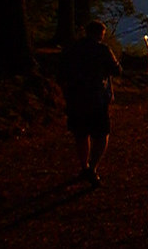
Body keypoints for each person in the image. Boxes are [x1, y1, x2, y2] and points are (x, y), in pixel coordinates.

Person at [58, 21, 122, 187]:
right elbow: (117, 70)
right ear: (99, 33)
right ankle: (92, 167)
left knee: (81, 134)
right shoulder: (102, 50)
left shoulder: (72, 50)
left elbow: (61, 72)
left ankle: (84, 165)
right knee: (101, 135)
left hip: (75, 99)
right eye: (102, 33)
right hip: (96, 99)